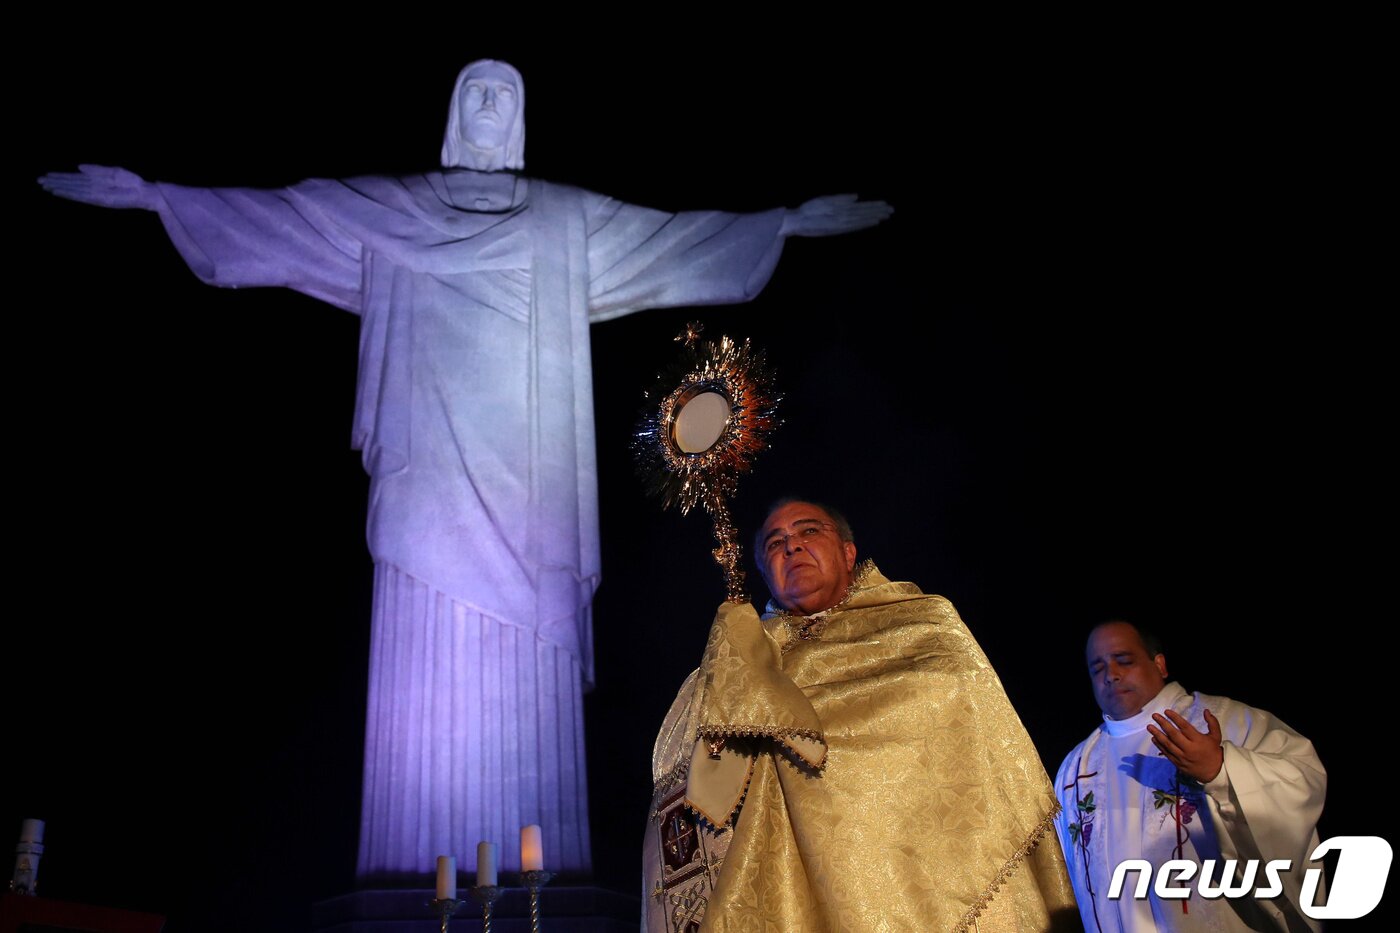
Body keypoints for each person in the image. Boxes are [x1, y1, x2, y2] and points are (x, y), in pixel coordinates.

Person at [37, 60, 892, 880]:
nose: (487, 105)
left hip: (534, 492)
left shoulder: (562, 218)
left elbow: (666, 238)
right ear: (455, 112)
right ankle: (409, 873)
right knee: (421, 648)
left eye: (503, 94)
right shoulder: (393, 210)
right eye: (473, 92)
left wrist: (776, 224)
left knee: (534, 660)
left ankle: (538, 876)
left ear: (516, 120)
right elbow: (285, 219)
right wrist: (158, 197)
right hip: (427, 482)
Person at [643, 498, 1077, 932]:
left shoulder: (920, 621)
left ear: (849, 553)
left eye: (809, 531)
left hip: (933, 876)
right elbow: (693, 774)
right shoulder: (746, 661)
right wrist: (734, 674)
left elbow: (956, 717)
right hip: (792, 884)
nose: (792, 547)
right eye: (776, 543)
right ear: (763, 572)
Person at [1053, 620, 1327, 931]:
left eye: (1124, 660)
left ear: (1160, 664)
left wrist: (1222, 769)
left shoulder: (1228, 722)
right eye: (1097, 668)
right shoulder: (1076, 770)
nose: (1111, 675)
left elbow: (1303, 781)